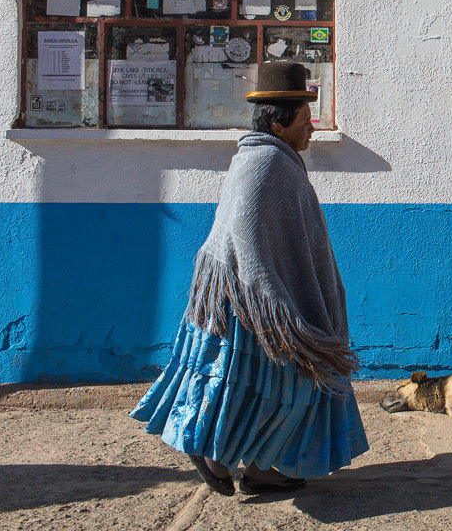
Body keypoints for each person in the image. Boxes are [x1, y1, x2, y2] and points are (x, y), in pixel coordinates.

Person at [132, 61, 368, 495]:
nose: (311, 130)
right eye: (304, 121)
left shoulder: (274, 158)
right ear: (279, 124)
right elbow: (246, 239)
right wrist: (275, 297)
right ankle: (213, 454)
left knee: (277, 388)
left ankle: (263, 467)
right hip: (250, 305)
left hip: (261, 299)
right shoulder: (263, 164)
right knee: (253, 385)